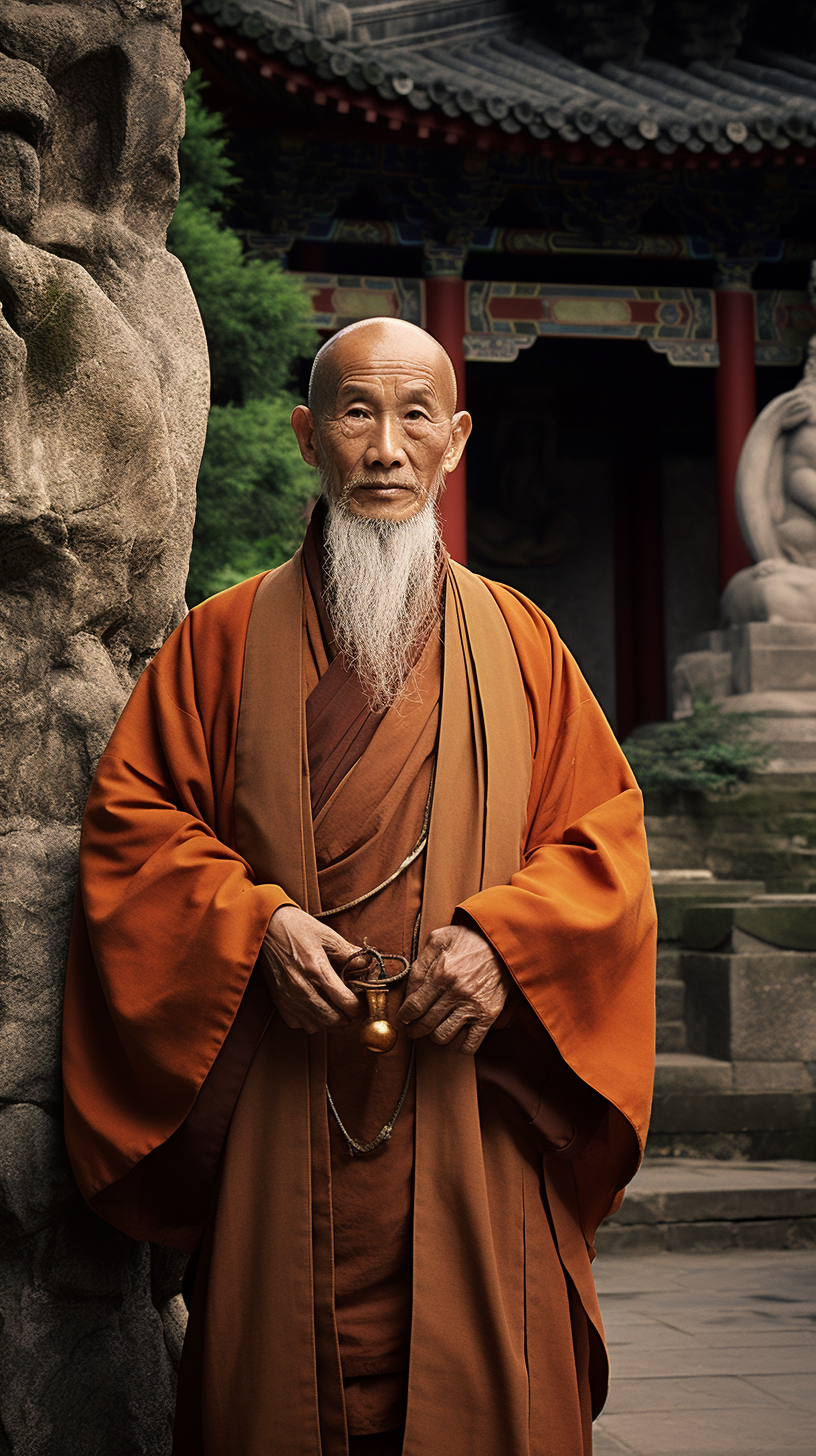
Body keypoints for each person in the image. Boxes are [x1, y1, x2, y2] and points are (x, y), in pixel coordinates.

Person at [63, 317, 657, 1456]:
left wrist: (505, 944)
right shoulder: (219, 643)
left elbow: (606, 848)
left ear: (457, 441)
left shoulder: (523, 643)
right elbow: (132, 830)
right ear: (307, 436)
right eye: (355, 412)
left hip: (475, 1119)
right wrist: (255, 923)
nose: (386, 447)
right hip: (285, 1106)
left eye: (416, 415)